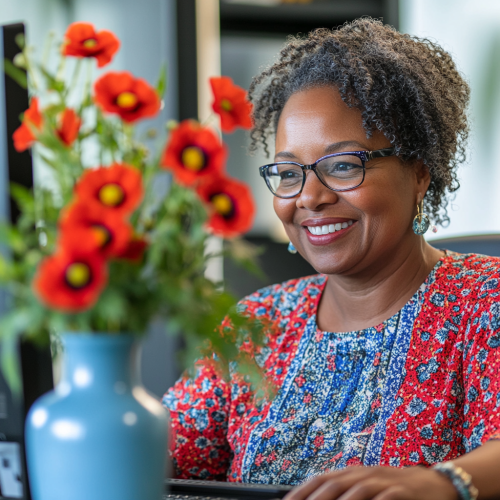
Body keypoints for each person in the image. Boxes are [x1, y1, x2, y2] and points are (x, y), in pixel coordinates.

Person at [163, 18, 500, 500]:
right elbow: (162, 452)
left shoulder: (486, 302)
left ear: (420, 175)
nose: (309, 197)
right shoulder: (258, 321)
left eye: (343, 165)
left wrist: (441, 483)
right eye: (287, 172)